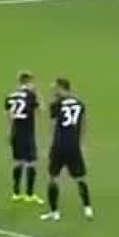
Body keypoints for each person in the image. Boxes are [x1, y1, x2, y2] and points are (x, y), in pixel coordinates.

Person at [40, 78, 92, 221]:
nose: (53, 90)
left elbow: (53, 126)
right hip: (74, 145)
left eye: (55, 87)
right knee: (80, 178)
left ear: (61, 88)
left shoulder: (56, 104)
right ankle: (87, 208)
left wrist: (49, 146)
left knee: (53, 178)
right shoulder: (79, 104)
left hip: (59, 145)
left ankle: (54, 212)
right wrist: (80, 143)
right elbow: (83, 124)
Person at [5, 72, 42, 204]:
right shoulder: (31, 95)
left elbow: (8, 116)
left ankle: (16, 193)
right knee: (31, 163)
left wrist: (8, 133)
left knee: (18, 162)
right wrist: (37, 95)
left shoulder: (10, 96)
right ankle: (29, 194)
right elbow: (40, 111)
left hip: (15, 133)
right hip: (27, 134)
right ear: (28, 82)